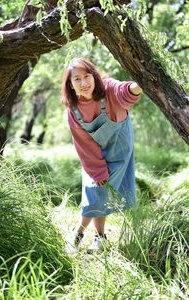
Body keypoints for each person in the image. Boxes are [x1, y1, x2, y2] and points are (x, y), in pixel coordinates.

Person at [61, 57, 142, 252]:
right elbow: (83, 144)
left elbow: (125, 91)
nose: (84, 83)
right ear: (70, 85)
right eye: (77, 79)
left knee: (99, 192)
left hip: (119, 149)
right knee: (95, 188)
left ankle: (80, 234)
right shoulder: (73, 111)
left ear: (94, 76)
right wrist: (97, 170)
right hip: (92, 155)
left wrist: (142, 84)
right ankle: (95, 236)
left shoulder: (108, 88)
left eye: (87, 76)